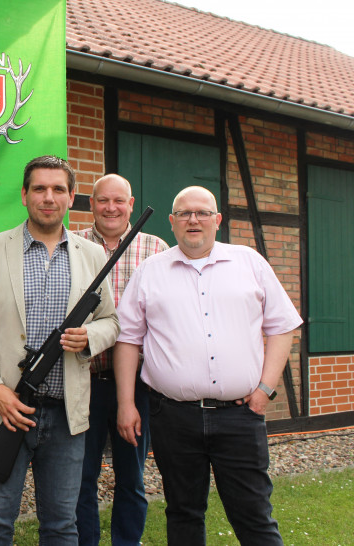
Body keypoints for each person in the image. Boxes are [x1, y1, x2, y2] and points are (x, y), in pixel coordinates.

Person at [114, 186, 302, 545]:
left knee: (254, 516)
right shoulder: (149, 272)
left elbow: (283, 326)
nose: (193, 220)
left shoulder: (249, 263)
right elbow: (128, 340)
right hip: (174, 418)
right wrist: (126, 404)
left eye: (202, 212)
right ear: (172, 222)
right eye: (184, 213)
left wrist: (265, 389)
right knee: (183, 513)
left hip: (239, 416)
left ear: (217, 220)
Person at [0, 155, 119, 544]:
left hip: (66, 415)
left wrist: (90, 339)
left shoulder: (93, 256)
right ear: (24, 195)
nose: (49, 197)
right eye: (39, 189)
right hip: (4, 411)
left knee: (62, 525)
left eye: (58, 189)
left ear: (72, 197)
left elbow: (111, 322)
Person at [74, 174, 168, 545]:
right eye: (102, 200)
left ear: (131, 204)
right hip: (84, 380)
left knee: (132, 477)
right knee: (81, 475)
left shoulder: (156, 248)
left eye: (119, 201)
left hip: (138, 386)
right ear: (91, 203)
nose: (110, 208)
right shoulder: (73, 243)